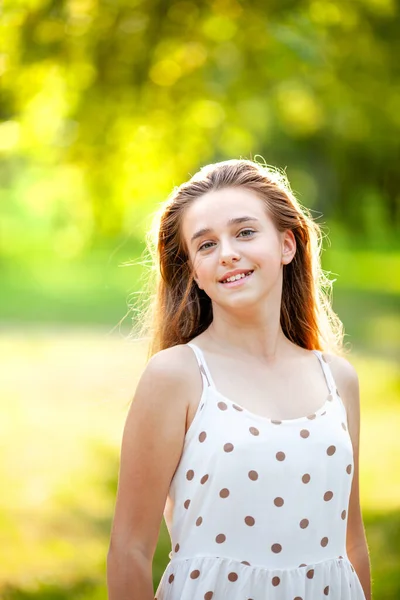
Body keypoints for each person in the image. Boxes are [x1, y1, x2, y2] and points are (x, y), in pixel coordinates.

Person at [106, 158, 371, 600]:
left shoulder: (338, 380)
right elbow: (130, 549)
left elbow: (352, 542)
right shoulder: (177, 376)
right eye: (206, 245)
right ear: (194, 272)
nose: (227, 251)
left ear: (287, 245)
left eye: (245, 232)